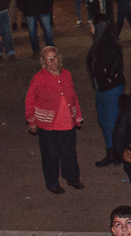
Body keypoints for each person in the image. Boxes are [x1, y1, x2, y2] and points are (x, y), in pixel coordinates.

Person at [24, 47, 85, 195]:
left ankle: (72, 178)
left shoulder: (67, 75)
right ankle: (52, 182)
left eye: (55, 57)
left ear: (59, 58)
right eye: (49, 59)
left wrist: (77, 116)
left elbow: (73, 96)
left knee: (70, 152)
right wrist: (31, 120)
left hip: (67, 122)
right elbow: (30, 100)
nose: (53, 61)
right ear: (44, 61)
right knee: (50, 155)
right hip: (48, 125)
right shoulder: (39, 78)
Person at [87, 17, 126, 169]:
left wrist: (109, 76)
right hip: (102, 88)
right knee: (104, 120)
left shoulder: (107, 44)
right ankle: (112, 152)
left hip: (110, 90)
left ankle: (116, 152)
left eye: (92, 23)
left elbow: (115, 62)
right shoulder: (102, 41)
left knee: (111, 122)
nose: (90, 26)